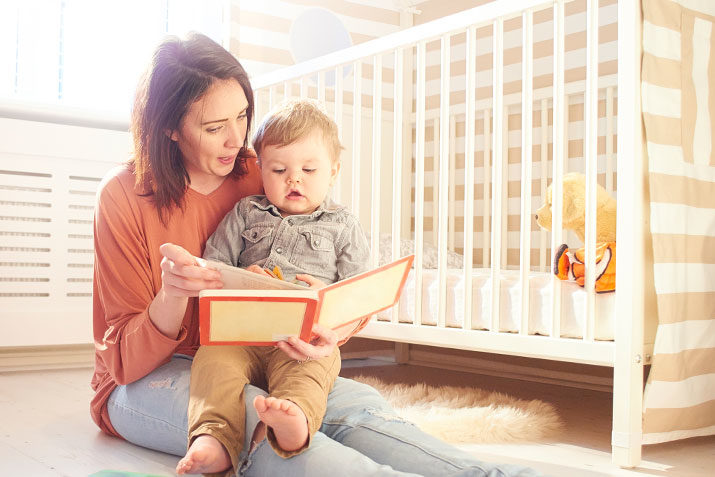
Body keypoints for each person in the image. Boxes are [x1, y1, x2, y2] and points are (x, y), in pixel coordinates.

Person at [91, 31, 541, 477]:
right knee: (257, 417)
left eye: (243, 115)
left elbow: (341, 288)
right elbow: (125, 362)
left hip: (272, 352)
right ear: (169, 128)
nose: (237, 139)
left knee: (358, 410)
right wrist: (173, 297)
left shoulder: (260, 172)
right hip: (147, 380)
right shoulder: (125, 195)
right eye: (214, 128)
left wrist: (331, 328)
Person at [176, 98, 371, 475]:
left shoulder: (342, 225)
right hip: (243, 335)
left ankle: (292, 422)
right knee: (212, 362)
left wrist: (327, 304)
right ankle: (213, 438)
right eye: (279, 169)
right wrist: (243, 274)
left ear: (333, 171)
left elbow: (357, 291)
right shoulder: (247, 212)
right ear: (262, 170)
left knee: (311, 372)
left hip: (303, 342)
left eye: (308, 169)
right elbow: (213, 264)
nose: (293, 179)